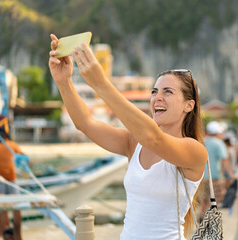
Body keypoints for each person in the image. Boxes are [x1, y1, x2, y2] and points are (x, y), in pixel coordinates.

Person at [49, 34, 208, 239]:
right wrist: (64, 81)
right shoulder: (134, 143)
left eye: (168, 92)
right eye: (154, 91)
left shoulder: (195, 151)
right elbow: (85, 124)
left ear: (189, 105)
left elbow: (154, 138)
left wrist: (101, 85)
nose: (157, 97)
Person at [200, 121, 237, 217]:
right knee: (214, 199)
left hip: (201, 176)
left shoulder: (202, 141)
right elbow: (225, 161)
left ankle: (202, 216)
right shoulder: (219, 143)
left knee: (204, 198)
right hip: (214, 176)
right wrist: (231, 174)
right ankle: (210, 219)